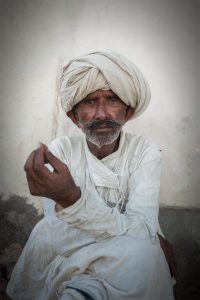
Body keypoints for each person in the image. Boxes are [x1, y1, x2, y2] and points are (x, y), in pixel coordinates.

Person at [7, 51, 177, 300]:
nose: (101, 113)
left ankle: (83, 290)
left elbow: (142, 229)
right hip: (78, 254)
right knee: (142, 253)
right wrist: (145, 236)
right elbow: (61, 235)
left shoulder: (144, 151)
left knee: (141, 251)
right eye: (89, 101)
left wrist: (74, 200)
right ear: (74, 117)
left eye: (111, 100)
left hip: (127, 255)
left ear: (127, 112)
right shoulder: (60, 151)